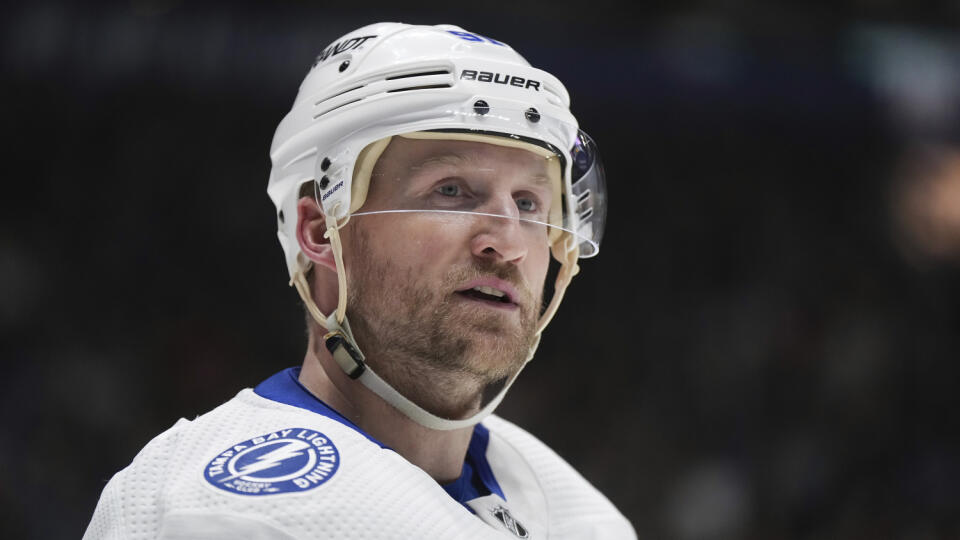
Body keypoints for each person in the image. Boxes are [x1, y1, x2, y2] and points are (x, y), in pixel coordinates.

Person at [84, 22, 635, 539]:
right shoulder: (226, 514)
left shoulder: (581, 516)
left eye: (528, 201)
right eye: (451, 190)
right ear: (321, 230)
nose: (509, 242)